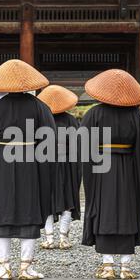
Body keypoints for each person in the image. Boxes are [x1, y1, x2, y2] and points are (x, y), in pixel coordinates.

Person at [0, 59, 56, 280]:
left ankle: (4, 266)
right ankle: (26, 267)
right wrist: (45, 171)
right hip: (31, 163)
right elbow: (49, 140)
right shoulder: (39, 106)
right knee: (29, 212)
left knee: (3, 212)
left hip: (2, 163)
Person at [81, 69, 140, 280]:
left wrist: (89, 172)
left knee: (104, 210)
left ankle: (108, 265)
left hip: (101, 169)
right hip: (129, 169)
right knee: (128, 210)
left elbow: (85, 147)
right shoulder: (137, 116)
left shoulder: (93, 114)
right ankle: (125, 267)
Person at [37, 85, 81, 250]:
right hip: (67, 165)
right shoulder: (71, 120)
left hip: (46, 164)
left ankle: (49, 239)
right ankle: (64, 238)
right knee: (67, 201)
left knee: (47, 201)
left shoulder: (40, 119)